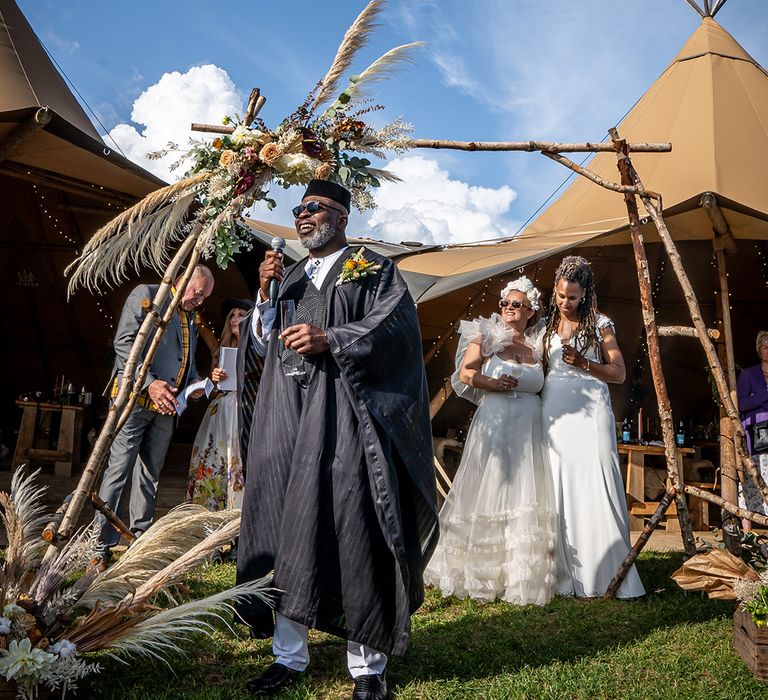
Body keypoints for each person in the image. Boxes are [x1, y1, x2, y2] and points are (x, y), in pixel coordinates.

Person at [235, 180, 438, 700]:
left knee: (355, 522)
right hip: (287, 415)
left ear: (342, 217)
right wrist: (264, 297)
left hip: (344, 419)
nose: (302, 216)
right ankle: (287, 657)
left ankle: (366, 666)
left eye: (314, 208)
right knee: (284, 526)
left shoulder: (370, 268)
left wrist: (332, 339)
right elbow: (259, 344)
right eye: (298, 209)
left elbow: (394, 328)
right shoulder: (290, 276)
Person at [424, 276, 557, 605]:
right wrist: (491, 383)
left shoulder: (540, 344)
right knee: (492, 486)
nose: (509, 309)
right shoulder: (485, 334)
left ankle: (520, 575)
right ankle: (480, 573)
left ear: (531, 311)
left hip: (530, 425)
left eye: (517, 305)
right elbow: (466, 373)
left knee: (526, 489)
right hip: (495, 421)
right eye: (506, 303)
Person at [93, 265, 215, 566]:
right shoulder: (148, 295)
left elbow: (184, 358)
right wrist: (150, 384)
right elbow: (124, 345)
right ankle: (100, 546)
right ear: (180, 280)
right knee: (118, 471)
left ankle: (137, 541)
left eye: (203, 298)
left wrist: (194, 383)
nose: (198, 301)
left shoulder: (189, 315)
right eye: (196, 293)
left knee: (149, 475)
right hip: (136, 400)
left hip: (167, 407)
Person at [541, 256, 644, 598]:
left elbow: (619, 373)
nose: (564, 302)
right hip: (555, 409)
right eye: (559, 295)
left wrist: (585, 362)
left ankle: (609, 573)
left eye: (571, 297)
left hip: (592, 408)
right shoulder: (545, 326)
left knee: (598, 477)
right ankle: (563, 575)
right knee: (560, 481)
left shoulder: (601, 325)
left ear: (584, 293)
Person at [185, 299, 254, 511]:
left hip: (245, 408)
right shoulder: (222, 350)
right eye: (232, 315)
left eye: (241, 315)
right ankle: (209, 511)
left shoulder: (257, 349)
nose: (235, 319)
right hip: (220, 410)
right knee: (214, 458)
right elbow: (214, 391)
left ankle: (239, 511)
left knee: (239, 459)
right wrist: (214, 379)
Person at [737, 330, 768, 529]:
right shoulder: (748, 374)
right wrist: (765, 394)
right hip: (757, 433)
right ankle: (747, 531)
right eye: (765, 347)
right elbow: (741, 404)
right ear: (759, 350)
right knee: (752, 478)